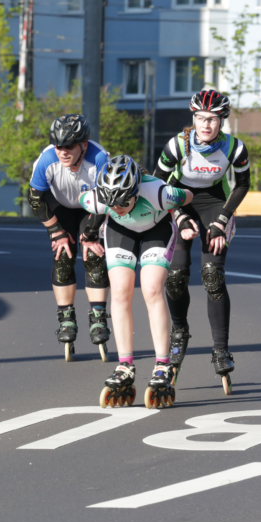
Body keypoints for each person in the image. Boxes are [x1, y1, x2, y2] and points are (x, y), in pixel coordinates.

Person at [78, 155, 195, 409]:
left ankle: (163, 365)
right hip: (121, 231)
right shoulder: (94, 199)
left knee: (152, 289)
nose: (117, 206)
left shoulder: (158, 192)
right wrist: (88, 235)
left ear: (135, 191)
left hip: (157, 228)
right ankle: (125, 366)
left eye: (123, 201)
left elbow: (188, 196)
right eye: (111, 202)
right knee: (120, 292)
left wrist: (181, 215)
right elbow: (85, 207)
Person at [154, 89, 250, 395]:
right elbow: (156, 185)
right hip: (178, 200)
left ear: (222, 120)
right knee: (176, 276)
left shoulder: (234, 147)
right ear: (193, 118)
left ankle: (221, 348)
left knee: (212, 276)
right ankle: (179, 331)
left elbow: (243, 184)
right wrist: (180, 216)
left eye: (212, 119)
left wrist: (221, 221)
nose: (205, 124)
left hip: (215, 203)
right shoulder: (177, 145)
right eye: (200, 118)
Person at [27, 114, 111, 361]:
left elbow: (108, 198)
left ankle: (98, 317)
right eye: (58, 146)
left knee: (94, 256)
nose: (63, 152)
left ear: (83, 145)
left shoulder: (99, 159)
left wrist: (91, 234)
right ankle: (66, 318)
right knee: (63, 257)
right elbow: (35, 199)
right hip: (59, 205)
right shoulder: (46, 160)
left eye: (69, 146)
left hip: (92, 206)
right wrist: (56, 231)